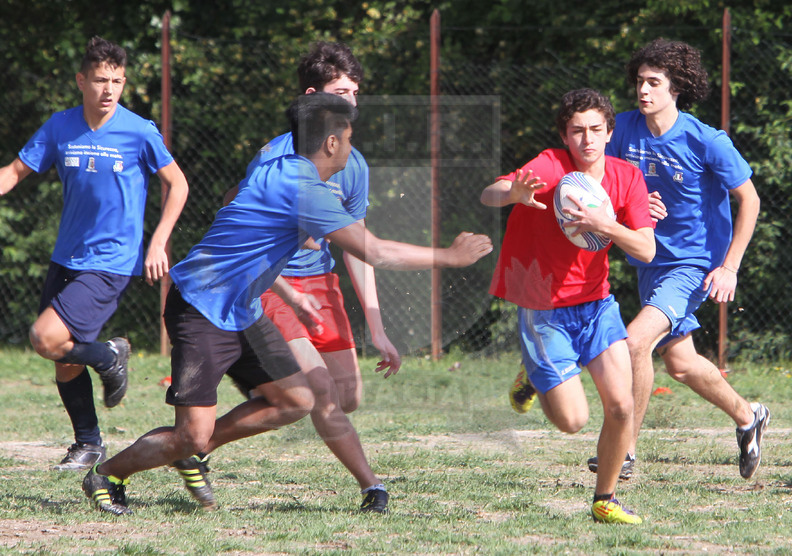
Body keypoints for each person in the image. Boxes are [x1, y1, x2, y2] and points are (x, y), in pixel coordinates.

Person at [82, 92, 493, 515]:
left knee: (296, 400)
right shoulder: (303, 188)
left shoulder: (279, 168)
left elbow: (236, 202)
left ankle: (198, 447)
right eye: (348, 139)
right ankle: (108, 474)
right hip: (201, 306)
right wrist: (450, 256)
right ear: (331, 144)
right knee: (191, 435)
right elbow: (375, 251)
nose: (351, 149)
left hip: (243, 307)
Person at [187, 42, 400, 513]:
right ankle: (372, 487)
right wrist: (286, 293)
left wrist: (378, 328)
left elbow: (360, 248)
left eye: (356, 92)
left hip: (320, 284)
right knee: (319, 390)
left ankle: (199, 445)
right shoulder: (276, 158)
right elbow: (248, 228)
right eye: (341, 92)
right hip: (273, 283)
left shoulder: (353, 161)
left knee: (348, 394)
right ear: (313, 95)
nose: (353, 102)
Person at [0, 36, 189, 471]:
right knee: (63, 359)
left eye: (117, 81)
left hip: (111, 260)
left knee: (45, 338)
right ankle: (88, 443)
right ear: (81, 81)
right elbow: (13, 173)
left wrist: (158, 241)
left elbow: (177, 184)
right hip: (66, 256)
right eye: (101, 80)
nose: (109, 89)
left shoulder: (139, 131)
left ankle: (109, 355)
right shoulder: (60, 126)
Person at [583, 39, 768, 480]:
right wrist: (634, 203)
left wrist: (729, 266)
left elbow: (751, 200)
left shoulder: (707, 140)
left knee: (635, 342)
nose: (643, 90)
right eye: (639, 82)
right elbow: (598, 182)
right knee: (681, 365)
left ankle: (624, 449)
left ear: (676, 87)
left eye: (654, 82)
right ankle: (749, 417)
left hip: (693, 264)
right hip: (649, 262)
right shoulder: (622, 130)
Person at [481, 88, 655, 524]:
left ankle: (605, 499)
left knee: (621, 407)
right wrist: (512, 193)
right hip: (545, 311)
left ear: (609, 132)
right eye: (577, 131)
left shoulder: (627, 177)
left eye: (596, 129)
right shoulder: (550, 165)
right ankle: (534, 375)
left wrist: (607, 224)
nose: (587, 140)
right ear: (564, 134)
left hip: (597, 305)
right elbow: (490, 193)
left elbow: (647, 250)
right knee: (572, 421)